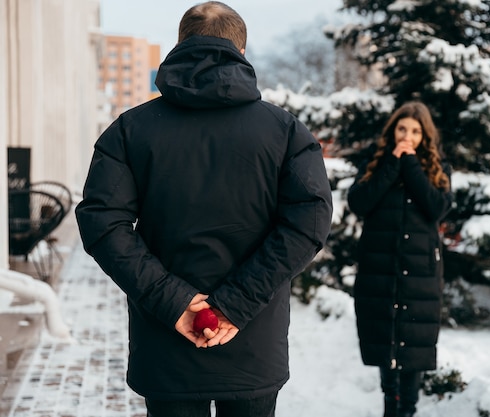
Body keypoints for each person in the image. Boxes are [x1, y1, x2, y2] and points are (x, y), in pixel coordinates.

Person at [74, 2, 333, 417]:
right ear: (241, 52)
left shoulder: (130, 128)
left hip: (164, 338)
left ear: (180, 46)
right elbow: (310, 222)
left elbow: (103, 223)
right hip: (251, 342)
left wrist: (173, 302)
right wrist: (233, 304)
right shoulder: (285, 131)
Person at [347, 101, 452, 417]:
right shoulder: (376, 163)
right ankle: (390, 407)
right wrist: (392, 163)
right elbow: (360, 203)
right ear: (393, 131)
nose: (408, 136)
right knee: (384, 342)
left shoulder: (438, 169)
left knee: (413, 347)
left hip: (419, 273)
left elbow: (436, 208)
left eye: (416, 131)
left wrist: (410, 164)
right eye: (402, 129)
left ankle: (408, 410)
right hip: (380, 269)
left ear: (425, 136)